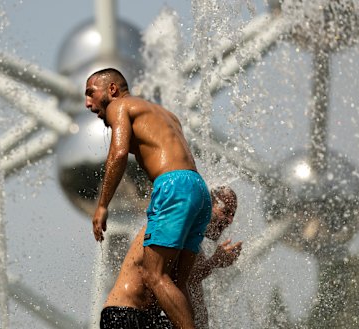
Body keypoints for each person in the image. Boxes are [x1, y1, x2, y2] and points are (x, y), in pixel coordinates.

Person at [86, 67, 212, 329]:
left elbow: (119, 154)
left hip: (172, 185)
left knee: (154, 274)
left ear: (112, 90)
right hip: (197, 187)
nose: (88, 103)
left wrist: (102, 206)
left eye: (90, 94)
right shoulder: (167, 115)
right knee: (177, 282)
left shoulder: (119, 106)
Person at [100, 186, 242, 329]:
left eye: (232, 215)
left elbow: (191, 291)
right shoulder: (175, 225)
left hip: (148, 318)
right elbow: (185, 278)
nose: (229, 220)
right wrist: (214, 262)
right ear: (207, 207)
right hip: (125, 314)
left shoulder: (193, 245)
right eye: (225, 212)